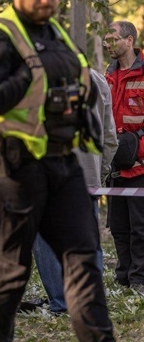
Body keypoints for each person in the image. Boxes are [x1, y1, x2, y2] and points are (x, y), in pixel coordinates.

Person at [0, 0, 115, 340]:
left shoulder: (56, 33)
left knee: (85, 263)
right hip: (17, 169)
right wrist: (34, 73)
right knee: (12, 271)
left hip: (64, 164)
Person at [33, 69, 118, 314]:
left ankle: (61, 303)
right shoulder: (97, 79)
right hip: (86, 176)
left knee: (45, 241)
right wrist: (98, 175)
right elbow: (110, 136)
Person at [104, 20, 144, 294]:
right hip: (114, 165)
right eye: (107, 39)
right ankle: (123, 277)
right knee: (118, 226)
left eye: (114, 38)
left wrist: (136, 152)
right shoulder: (106, 76)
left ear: (129, 41)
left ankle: (140, 279)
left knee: (140, 228)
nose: (109, 43)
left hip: (140, 165)